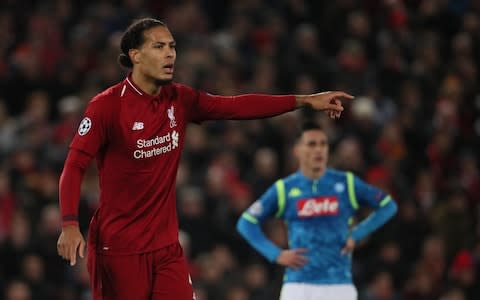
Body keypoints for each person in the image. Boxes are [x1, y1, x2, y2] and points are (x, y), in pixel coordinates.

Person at [55, 18, 353, 300]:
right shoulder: (106, 107)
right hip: (119, 250)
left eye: (172, 46)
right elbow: (74, 165)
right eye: (159, 47)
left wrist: (303, 100)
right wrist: (69, 224)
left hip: (166, 247)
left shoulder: (179, 99)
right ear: (136, 55)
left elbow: (235, 106)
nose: (170, 54)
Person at [236, 121, 398, 300]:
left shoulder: (346, 183)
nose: (319, 150)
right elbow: (246, 223)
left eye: (323, 144)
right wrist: (275, 254)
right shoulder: (285, 189)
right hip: (298, 285)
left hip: (339, 285)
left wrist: (358, 234)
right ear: (297, 150)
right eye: (312, 144)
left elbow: (388, 206)